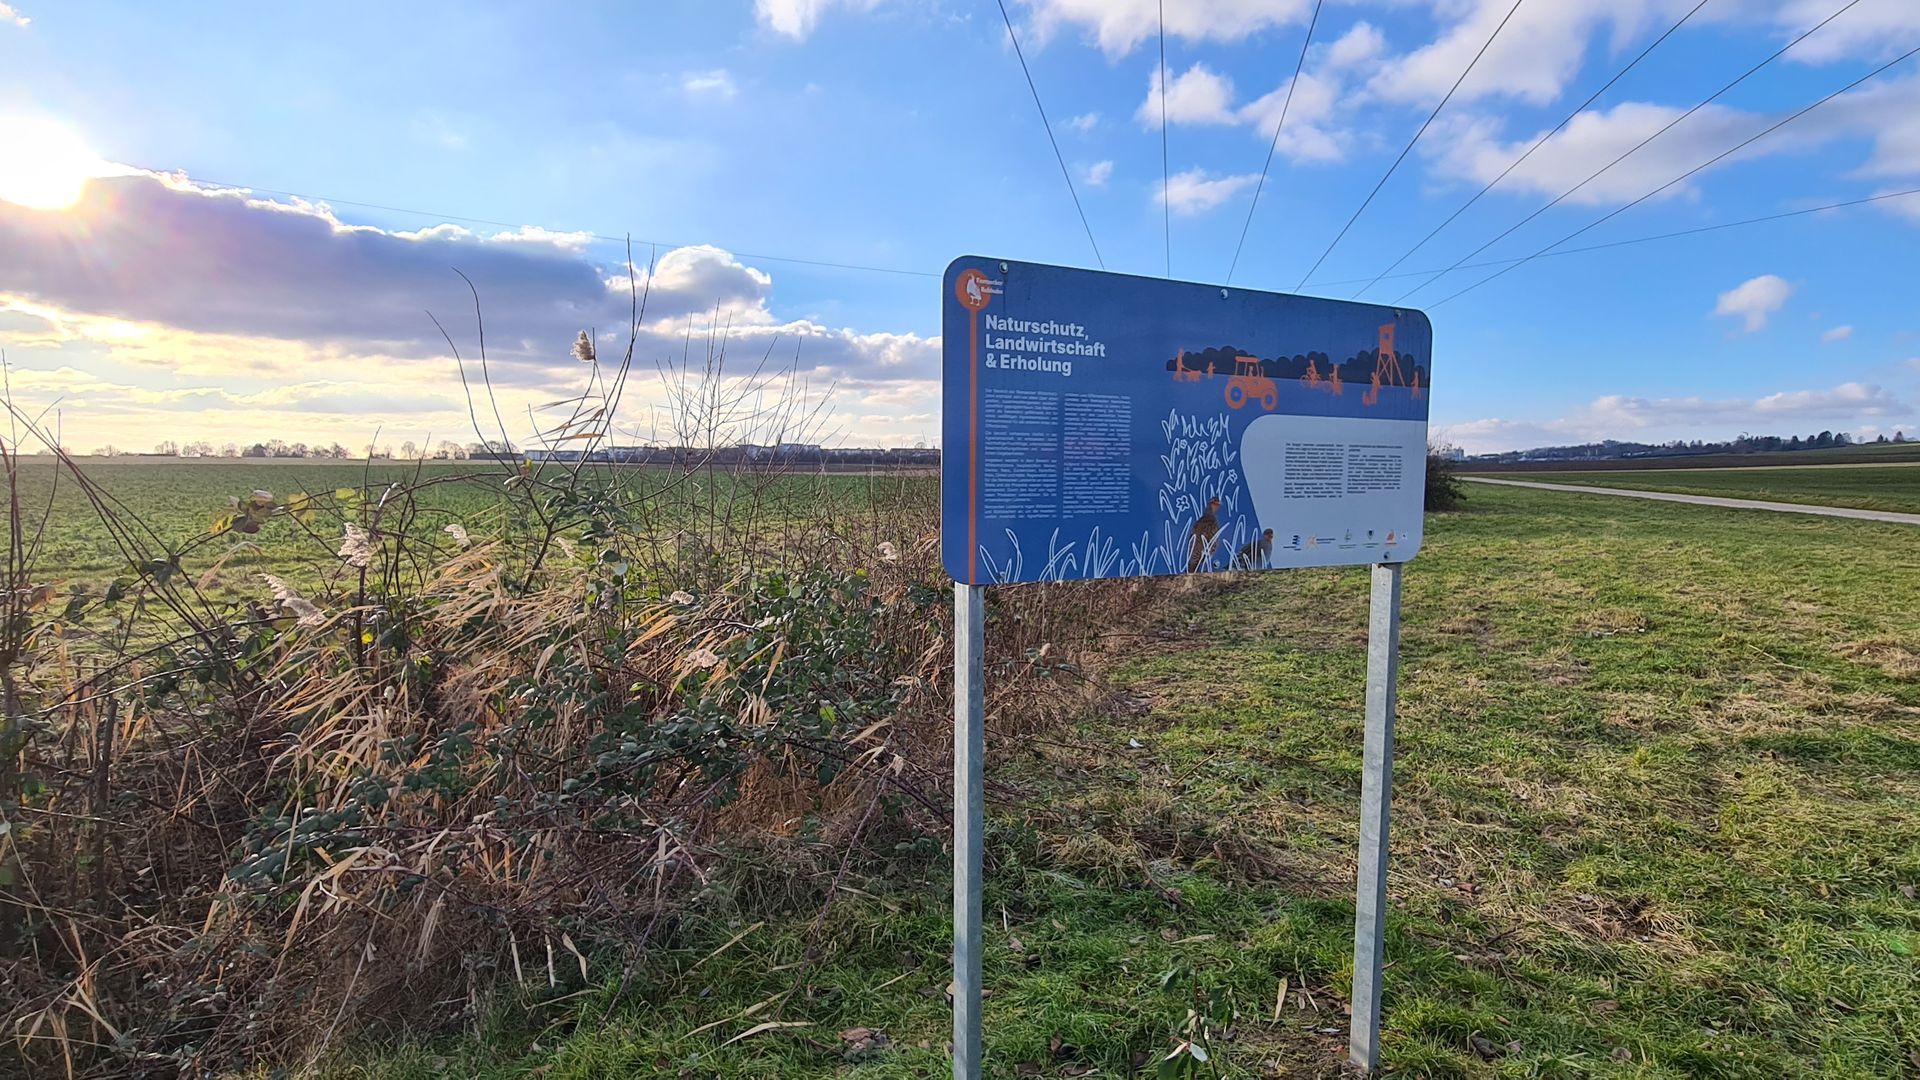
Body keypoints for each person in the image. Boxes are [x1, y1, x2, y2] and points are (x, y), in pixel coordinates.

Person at [1187, 497, 1222, 572]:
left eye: (1218, 505)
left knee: (1194, 565)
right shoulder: (1210, 522)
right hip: (1200, 551)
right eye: (1215, 504)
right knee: (1195, 564)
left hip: (1200, 553)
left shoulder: (1201, 522)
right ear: (1210, 505)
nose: (1217, 507)